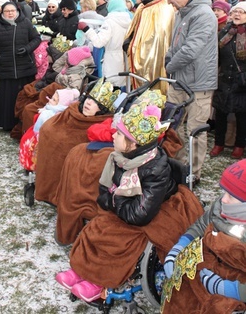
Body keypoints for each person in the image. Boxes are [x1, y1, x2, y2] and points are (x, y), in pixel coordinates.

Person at [55, 103, 201, 303]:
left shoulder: (155, 170)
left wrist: (116, 198)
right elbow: (104, 192)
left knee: (116, 239)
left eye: (119, 134)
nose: (113, 135)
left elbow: (138, 215)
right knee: (97, 226)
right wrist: (116, 198)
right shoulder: (119, 158)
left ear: (133, 144)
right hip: (128, 206)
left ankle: (99, 282)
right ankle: (80, 271)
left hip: (151, 212)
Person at [163, 159, 246, 314]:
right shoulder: (221, 206)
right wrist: (179, 247)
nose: (223, 199)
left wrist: (228, 289)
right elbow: (201, 225)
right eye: (224, 192)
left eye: (231, 196)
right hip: (213, 268)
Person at [164, 0, 218, 183]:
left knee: (195, 130)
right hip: (178, 80)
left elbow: (190, 50)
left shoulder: (203, 14)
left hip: (198, 84)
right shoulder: (181, 12)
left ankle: (192, 173)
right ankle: (177, 164)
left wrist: (169, 65)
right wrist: (169, 58)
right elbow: (175, 43)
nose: (168, 2)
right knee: (171, 125)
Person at [34, 78, 120, 205]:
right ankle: (49, 187)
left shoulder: (102, 123)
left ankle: (60, 191)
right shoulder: (72, 111)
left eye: (95, 102)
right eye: (89, 98)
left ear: (102, 109)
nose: (89, 103)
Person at [0, 1, 41, 131]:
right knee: (8, 97)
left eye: (12, 10)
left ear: (17, 11)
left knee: (25, 96)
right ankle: (8, 123)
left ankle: (26, 122)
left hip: (25, 66)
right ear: (2, 12)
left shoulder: (26, 22)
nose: (10, 13)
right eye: (7, 11)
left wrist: (27, 49)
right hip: (7, 67)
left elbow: (36, 39)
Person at [123, 0, 174, 93]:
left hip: (152, 59)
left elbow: (159, 38)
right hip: (136, 57)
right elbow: (133, 29)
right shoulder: (141, 6)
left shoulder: (164, 7)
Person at [209, 1, 246, 159]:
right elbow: (215, 54)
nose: (237, 14)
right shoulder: (225, 31)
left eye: (241, 12)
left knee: (242, 117)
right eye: (235, 11)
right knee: (221, 114)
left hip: (242, 83)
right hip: (224, 80)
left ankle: (239, 146)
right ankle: (219, 144)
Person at [19, 88, 80, 172]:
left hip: (40, 137)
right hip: (39, 135)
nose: (50, 100)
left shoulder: (50, 114)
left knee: (33, 152)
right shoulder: (51, 109)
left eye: (54, 100)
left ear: (61, 104)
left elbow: (40, 129)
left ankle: (33, 168)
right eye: (51, 98)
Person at [78, 0, 131, 87]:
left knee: (109, 88)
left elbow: (99, 42)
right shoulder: (129, 21)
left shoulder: (110, 22)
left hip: (112, 60)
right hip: (125, 60)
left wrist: (86, 29)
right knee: (121, 87)